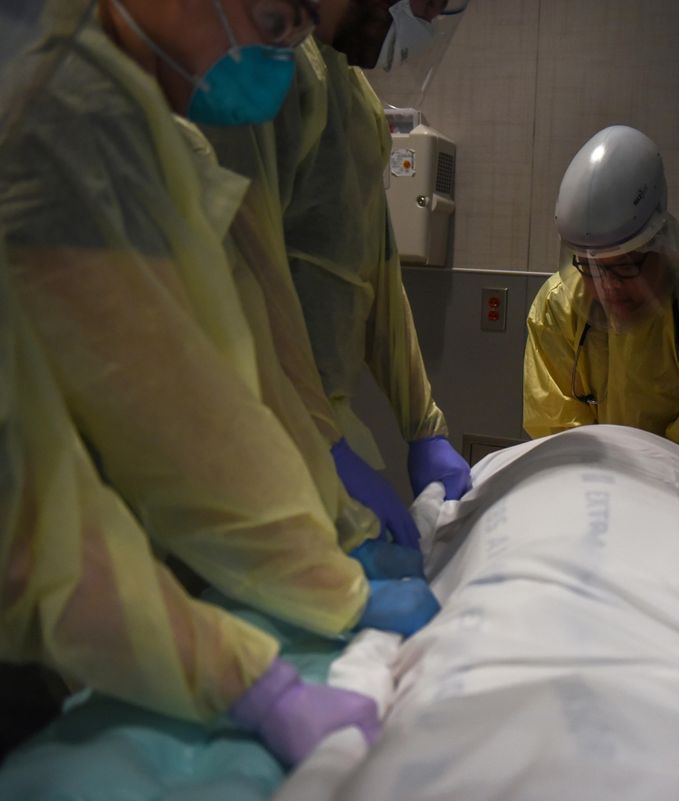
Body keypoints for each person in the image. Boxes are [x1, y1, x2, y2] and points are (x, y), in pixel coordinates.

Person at [0, 0, 440, 726]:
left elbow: (219, 383)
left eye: (303, 34)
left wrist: (326, 542)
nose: (279, 59)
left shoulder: (144, 118)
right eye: (274, 22)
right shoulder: (52, 106)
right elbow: (40, 519)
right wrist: (244, 675)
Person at [276, 0, 473, 510]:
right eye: (430, 5)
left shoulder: (353, 94)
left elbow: (376, 264)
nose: (426, 27)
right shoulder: (270, 72)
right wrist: (312, 439)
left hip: (318, 423)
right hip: (257, 428)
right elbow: (237, 276)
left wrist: (422, 426)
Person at [523, 126, 679, 481]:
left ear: (660, 245)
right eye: (590, 269)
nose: (608, 290)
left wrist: (640, 490)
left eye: (624, 267)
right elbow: (555, 435)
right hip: (590, 490)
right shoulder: (557, 306)